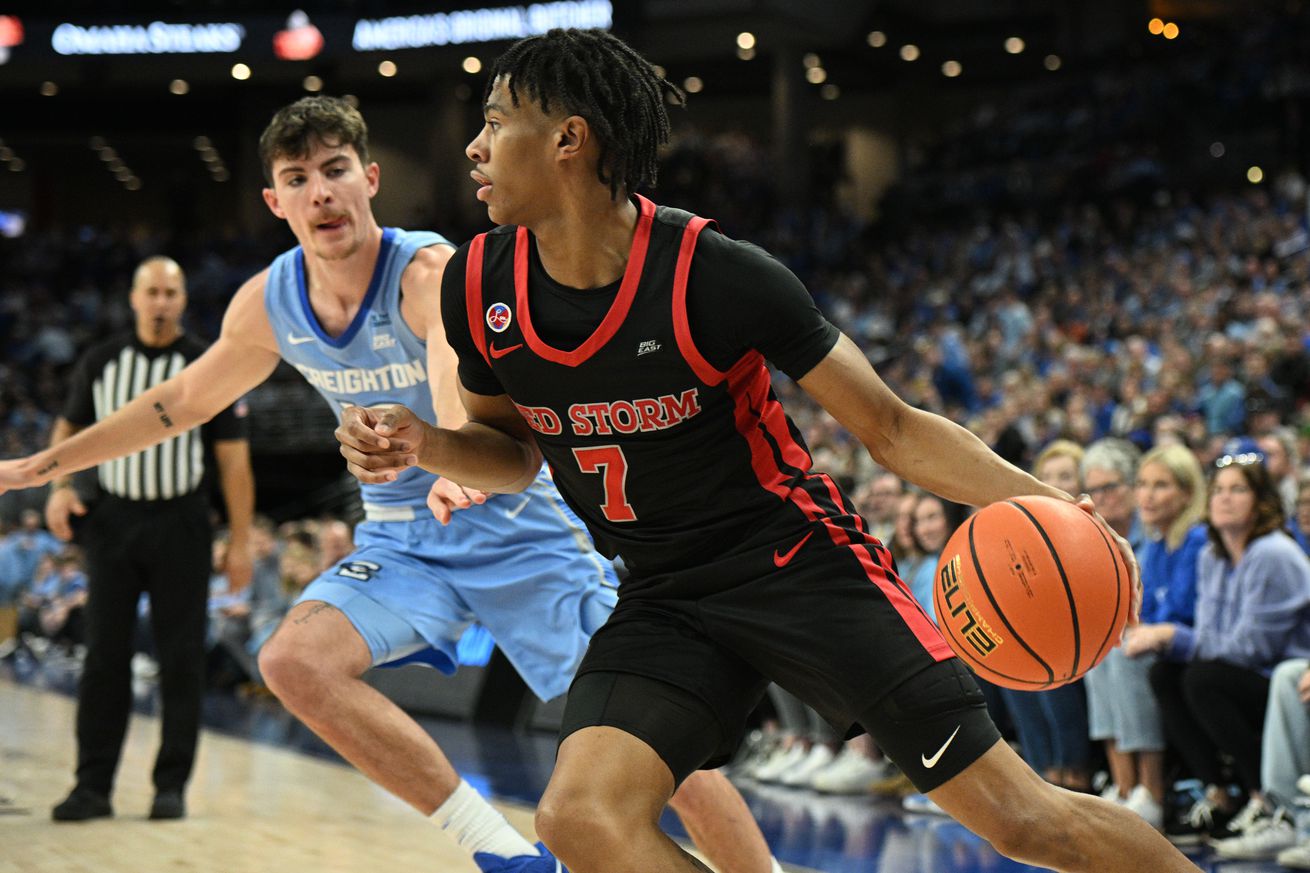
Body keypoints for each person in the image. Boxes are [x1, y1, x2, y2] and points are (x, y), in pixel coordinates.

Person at [338, 28, 1195, 873]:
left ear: (568, 139)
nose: (474, 147)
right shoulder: (479, 284)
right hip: (665, 595)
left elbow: (890, 427)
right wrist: (428, 444)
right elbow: (514, 453)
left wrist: (1041, 499)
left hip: (796, 566)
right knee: (580, 818)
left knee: (1023, 821)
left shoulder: (715, 273)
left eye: (494, 122)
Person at [0, 96, 778, 873]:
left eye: (336, 170)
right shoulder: (268, 301)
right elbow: (181, 402)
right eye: (298, 178)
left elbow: (449, 358)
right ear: (275, 201)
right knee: (291, 661)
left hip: (518, 529)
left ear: (370, 179)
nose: (321, 192)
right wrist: (45, 464)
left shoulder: (427, 268)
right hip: (404, 540)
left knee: (660, 745)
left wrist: (445, 450)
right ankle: (502, 850)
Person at [35, 256, 256, 822]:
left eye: (171, 293)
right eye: (152, 292)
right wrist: (60, 487)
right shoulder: (102, 361)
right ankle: (92, 786)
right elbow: (68, 430)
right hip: (113, 520)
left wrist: (239, 541)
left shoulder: (207, 364)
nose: (161, 302)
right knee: (103, 655)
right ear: (134, 299)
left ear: (183, 300)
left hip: (182, 522)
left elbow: (233, 462)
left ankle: (171, 785)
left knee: (181, 657)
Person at [1127, 457, 1310, 845]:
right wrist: (1175, 640)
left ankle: (1263, 797)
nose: (1225, 499)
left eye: (1238, 490)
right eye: (1219, 490)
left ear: (1262, 501)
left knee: (1202, 677)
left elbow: (1252, 649)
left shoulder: (1272, 553)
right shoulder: (1213, 555)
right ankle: (1219, 794)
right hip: (1245, 674)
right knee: (1166, 674)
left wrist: (1172, 636)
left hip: (1284, 676)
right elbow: (1211, 635)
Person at [1077, 438, 1167, 827]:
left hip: (1156, 638)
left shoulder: (1153, 537)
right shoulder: (1091, 539)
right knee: (1099, 651)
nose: (1102, 498)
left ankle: (1153, 792)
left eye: (1110, 487)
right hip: (1122, 639)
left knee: (1122, 651)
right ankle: (1123, 787)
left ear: (1132, 486)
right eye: (1094, 490)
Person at [1000, 440, 1093, 794]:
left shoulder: (1093, 533)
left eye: (1065, 476)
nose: (1055, 484)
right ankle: (1043, 771)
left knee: (1051, 658)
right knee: (1013, 658)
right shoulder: (1026, 537)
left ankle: (1075, 772)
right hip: (1052, 639)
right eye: (1047, 476)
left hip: (1087, 642)